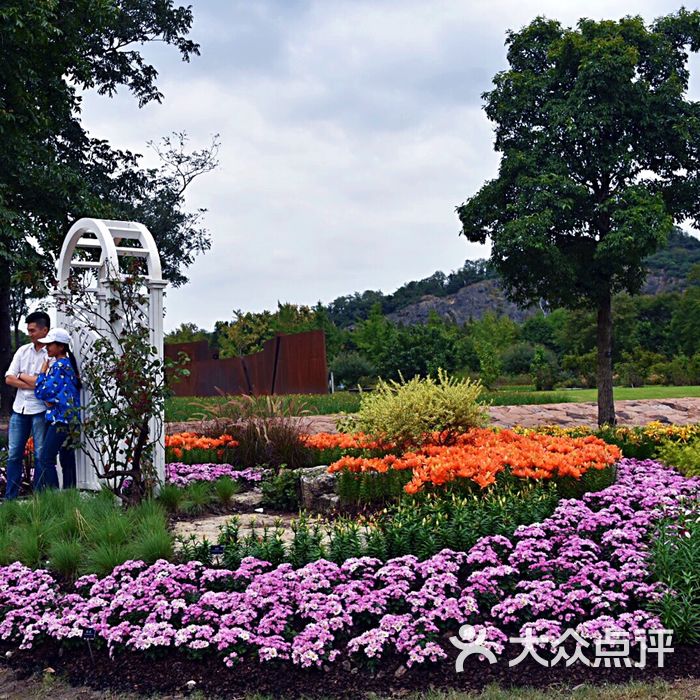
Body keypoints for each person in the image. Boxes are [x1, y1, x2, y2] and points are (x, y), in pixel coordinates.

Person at [3, 311, 51, 499]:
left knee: (40, 455)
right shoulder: (23, 350)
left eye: (33, 330)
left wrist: (22, 376)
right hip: (19, 408)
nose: (30, 334)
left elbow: (46, 382)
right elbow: (9, 378)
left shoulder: (52, 354)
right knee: (14, 453)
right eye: (28, 330)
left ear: (44, 330)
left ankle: (38, 497)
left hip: (40, 409)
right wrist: (32, 382)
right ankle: (11, 497)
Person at [33, 328, 81, 491]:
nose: (47, 348)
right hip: (70, 420)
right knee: (67, 459)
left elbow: (41, 391)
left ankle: (54, 498)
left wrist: (42, 372)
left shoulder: (58, 366)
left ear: (61, 346)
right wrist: (49, 400)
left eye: (50, 345)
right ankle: (70, 495)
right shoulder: (68, 365)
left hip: (59, 420)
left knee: (46, 458)